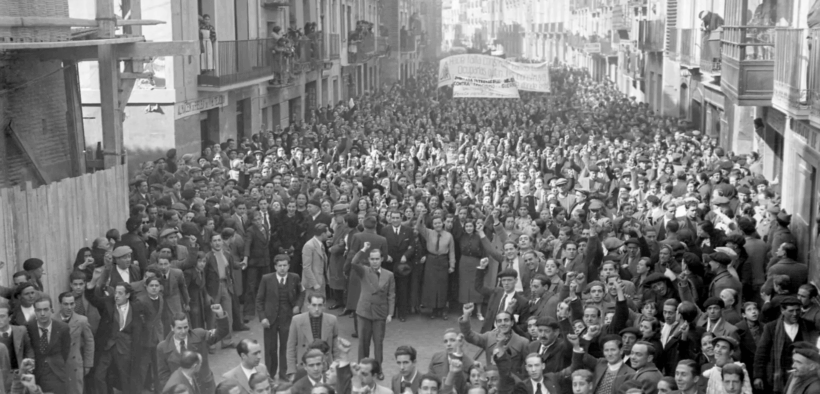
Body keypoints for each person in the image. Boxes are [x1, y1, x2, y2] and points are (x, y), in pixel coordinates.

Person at [86, 266, 148, 394]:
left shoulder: (136, 307)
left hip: (125, 347)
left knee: (126, 378)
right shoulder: (108, 303)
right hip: (107, 346)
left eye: (120, 293)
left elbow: (141, 327)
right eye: (116, 293)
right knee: (99, 376)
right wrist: (93, 281)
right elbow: (93, 299)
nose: (116, 296)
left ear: (127, 295)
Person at [754, 296, 819, 393]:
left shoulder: (808, 326)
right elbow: (761, 353)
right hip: (777, 376)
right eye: (791, 311)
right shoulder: (771, 327)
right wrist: (758, 376)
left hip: (801, 375)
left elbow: (813, 351)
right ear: (782, 310)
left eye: (798, 310)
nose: (795, 314)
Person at [157, 307, 229, 394]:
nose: (183, 331)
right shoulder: (163, 347)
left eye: (185, 327)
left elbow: (221, 333)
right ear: (172, 328)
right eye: (179, 328)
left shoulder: (199, 335)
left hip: (205, 387)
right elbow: (163, 375)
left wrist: (220, 315)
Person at [349, 245, 396, 376]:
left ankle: (378, 370)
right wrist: (363, 249)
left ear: (382, 259)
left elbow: (391, 294)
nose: (374, 261)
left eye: (377, 259)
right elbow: (353, 262)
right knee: (363, 343)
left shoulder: (389, 275)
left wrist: (390, 313)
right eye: (372, 259)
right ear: (368, 260)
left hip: (380, 313)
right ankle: (362, 368)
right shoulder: (363, 271)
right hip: (364, 312)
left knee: (378, 344)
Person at [257, 254, 303, 380]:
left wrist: (298, 306)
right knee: (270, 348)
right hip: (270, 319)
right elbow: (259, 300)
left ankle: (284, 373)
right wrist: (262, 318)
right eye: (279, 266)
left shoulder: (295, 278)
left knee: (286, 347)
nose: (282, 268)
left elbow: (301, 293)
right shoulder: (266, 279)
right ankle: (270, 374)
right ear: (275, 267)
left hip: (287, 319)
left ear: (288, 266)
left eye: (285, 265)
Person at [286, 294, 339, 380]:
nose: (317, 309)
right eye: (314, 305)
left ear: (324, 306)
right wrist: (292, 371)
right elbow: (290, 347)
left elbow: (336, 348)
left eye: (320, 305)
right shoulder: (297, 320)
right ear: (308, 305)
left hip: (325, 366)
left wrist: (336, 366)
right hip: (305, 366)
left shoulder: (332, 320)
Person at [28, 294, 71, 394]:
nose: (42, 313)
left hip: (56, 373)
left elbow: (65, 351)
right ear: (35, 311)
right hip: (37, 373)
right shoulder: (29, 328)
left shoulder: (62, 328)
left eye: (45, 309)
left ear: (51, 310)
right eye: (38, 310)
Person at [567, 333, 635, 394]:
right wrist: (576, 345)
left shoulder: (630, 373)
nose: (609, 354)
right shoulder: (600, 362)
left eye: (613, 350)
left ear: (621, 351)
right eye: (606, 350)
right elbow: (582, 356)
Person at [380, 210, 415, 321]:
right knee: (390, 289)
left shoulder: (408, 230)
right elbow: (382, 245)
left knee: (403, 289)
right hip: (389, 264)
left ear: (401, 218)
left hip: (403, 265)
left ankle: (402, 313)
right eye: (393, 218)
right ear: (390, 218)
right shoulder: (384, 230)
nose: (395, 220)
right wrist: (385, 256)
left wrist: (406, 255)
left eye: (397, 218)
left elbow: (412, 246)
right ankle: (392, 312)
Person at [56, 291, 94, 394]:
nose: (69, 307)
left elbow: (89, 342)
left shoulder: (81, 320)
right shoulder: (52, 320)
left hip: (75, 364)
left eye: (72, 304)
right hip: (57, 364)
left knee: (75, 390)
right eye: (66, 304)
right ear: (60, 304)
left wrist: (88, 364)